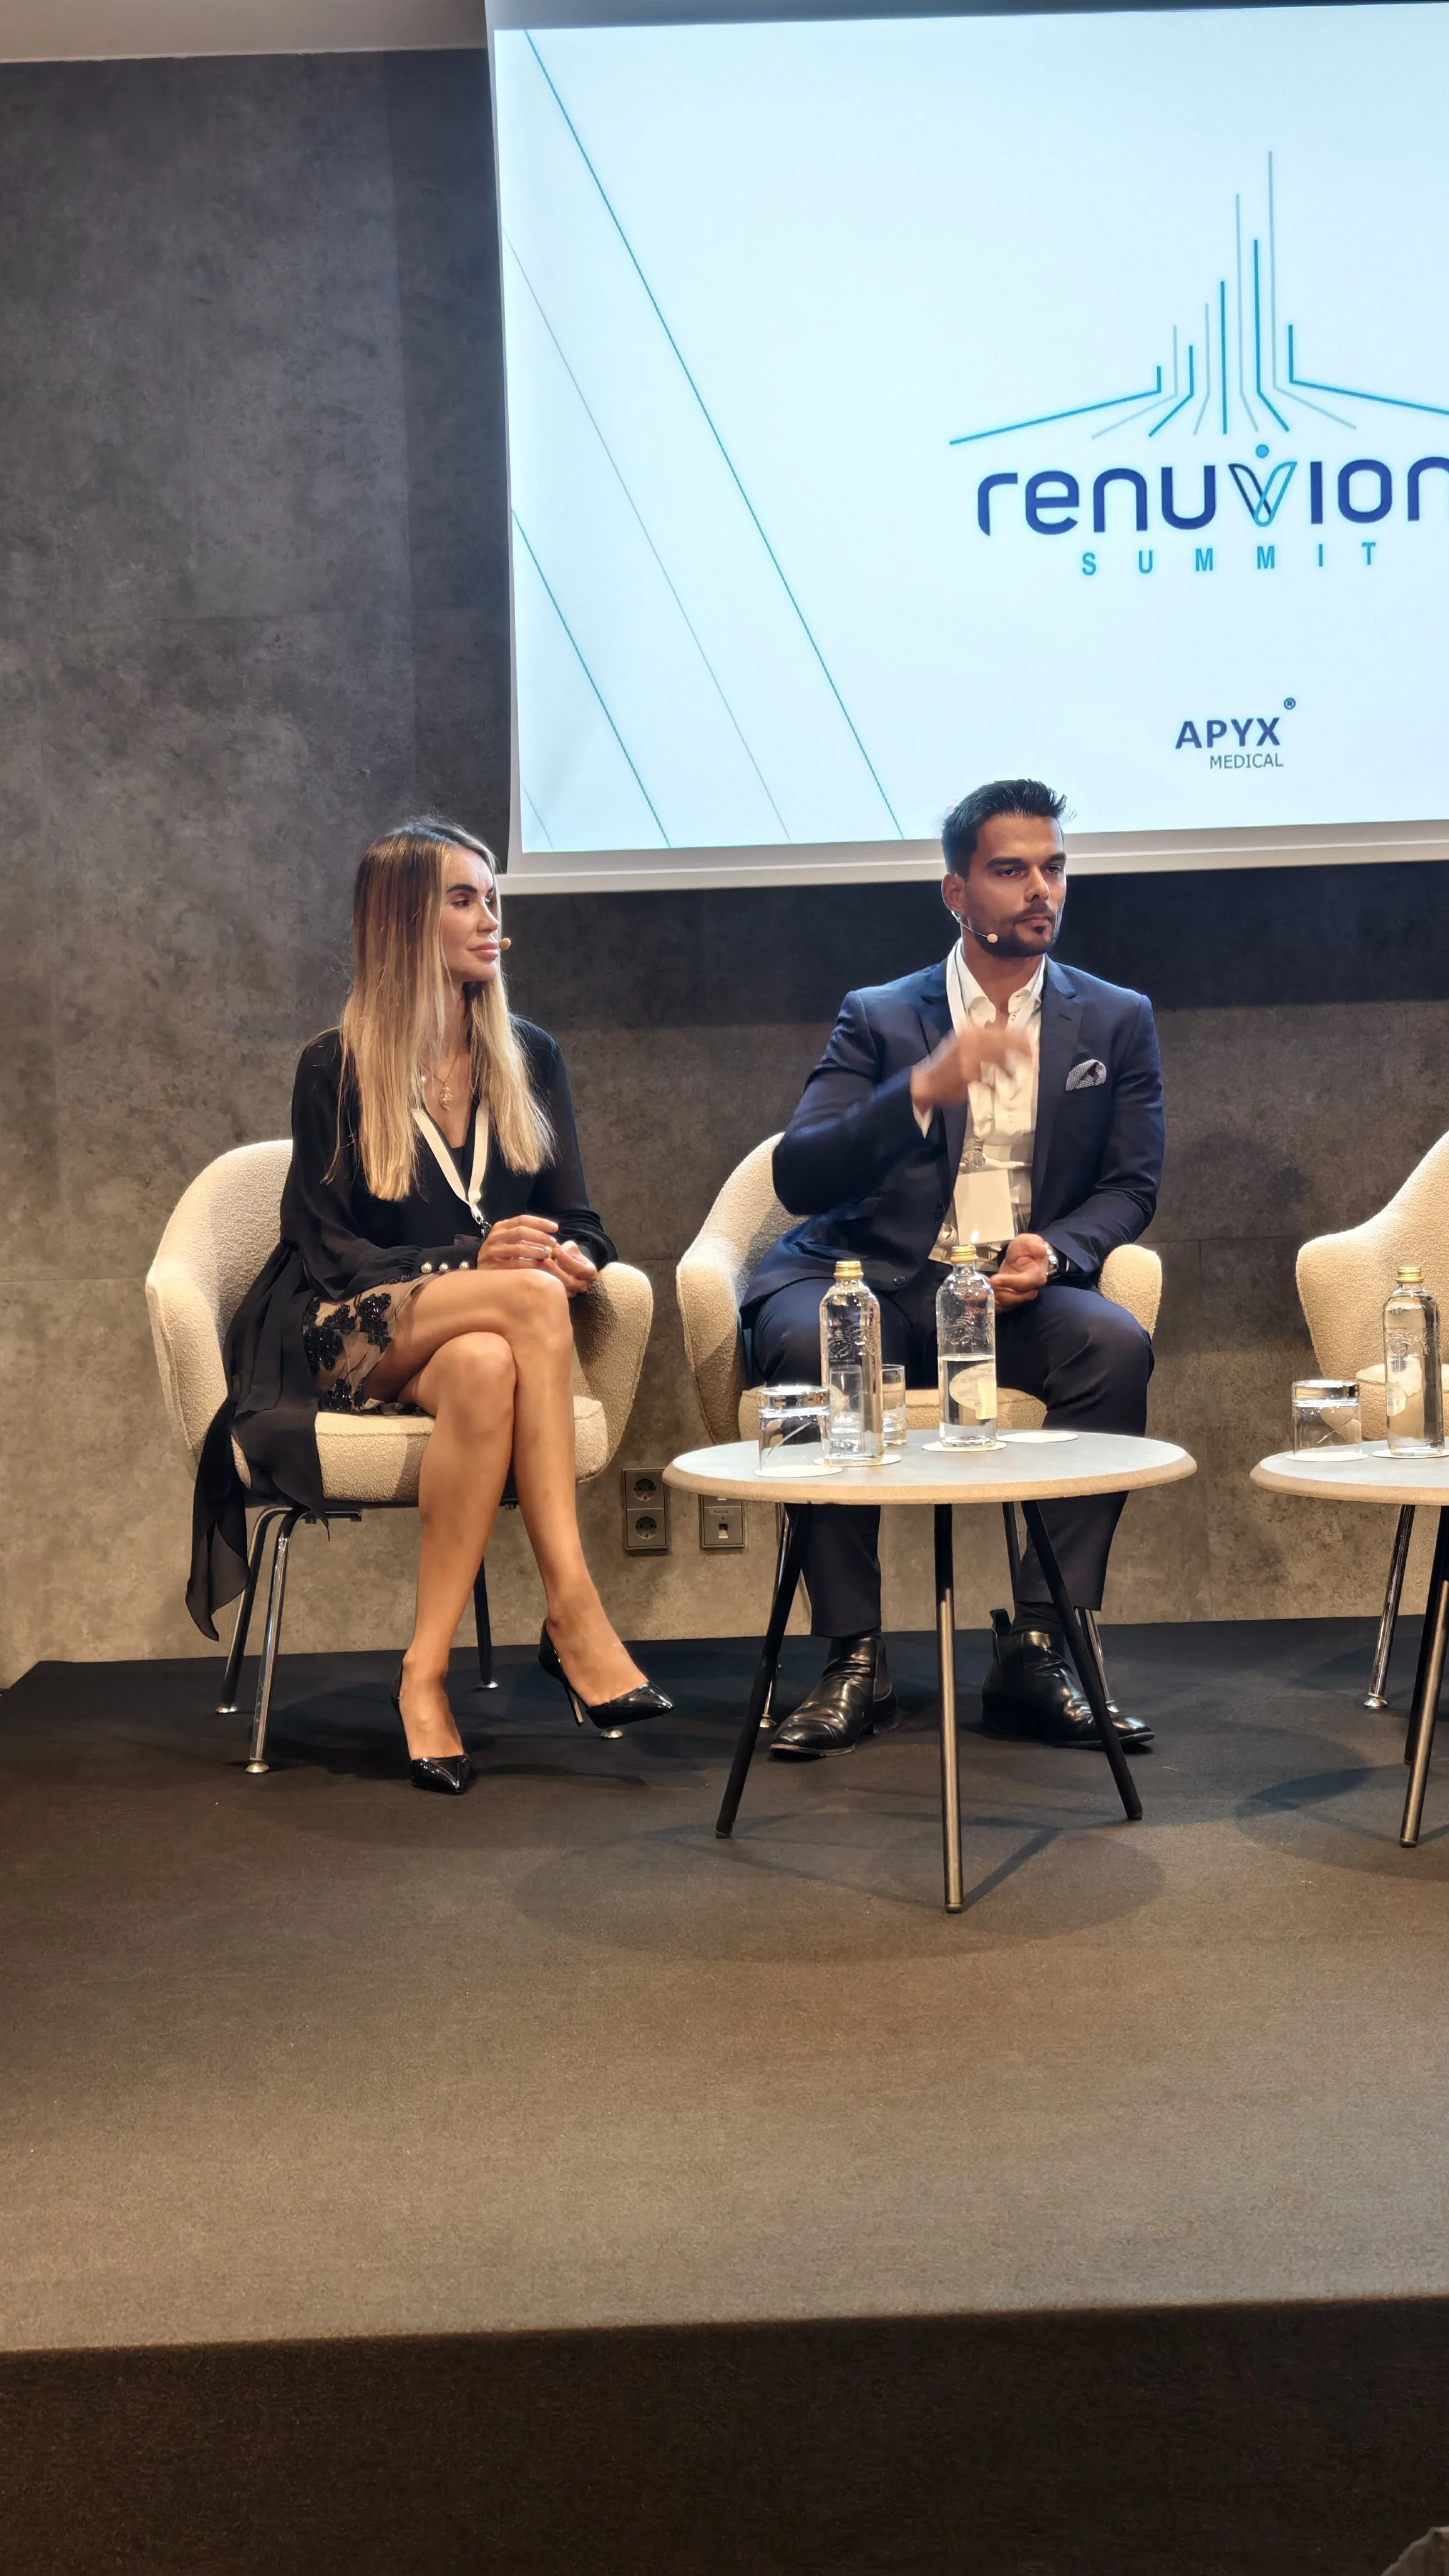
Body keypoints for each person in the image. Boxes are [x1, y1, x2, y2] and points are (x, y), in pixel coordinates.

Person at [187, 819, 669, 1792]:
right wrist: (470, 1259)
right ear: (403, 921)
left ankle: (425, 1675)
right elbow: (328, 1247)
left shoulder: (530, 1057)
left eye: (494, 898)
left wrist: (575, 1257)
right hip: (338, 1330)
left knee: (494, 1356)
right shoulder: (334, 1065)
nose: (491, 920)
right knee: (524, 1300)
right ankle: (574, 1612)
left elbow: (582, 1218)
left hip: (470, 1340)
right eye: (464, 899)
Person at [745, 777, 1164, 1757]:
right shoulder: (880, 1016)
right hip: (880, 1279)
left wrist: (1057, 1250)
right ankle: (854, 1657)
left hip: (1012, 1294)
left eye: (1053, 868)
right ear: (957, 892)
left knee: (1114, 1347)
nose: (1041, 890)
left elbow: (1131, 1186)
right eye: (1011, 870)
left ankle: (1039, 1648)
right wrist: (923, 1088)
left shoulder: (1116, 1019)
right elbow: (801, 1175)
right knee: (812, 1343)